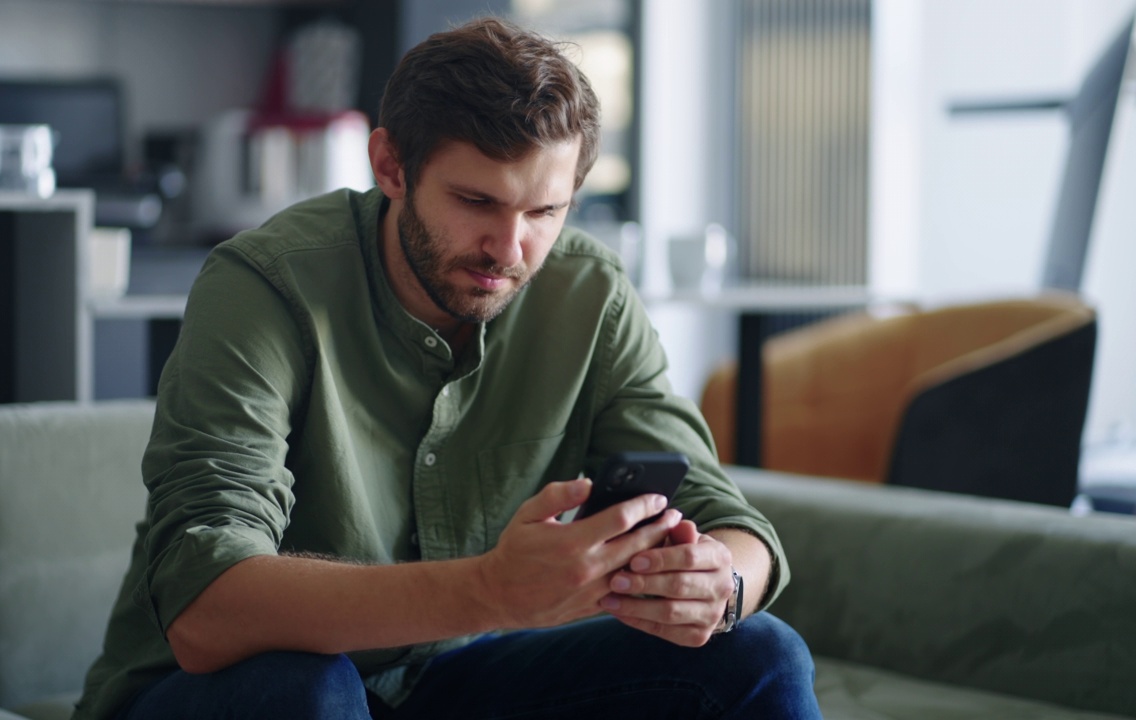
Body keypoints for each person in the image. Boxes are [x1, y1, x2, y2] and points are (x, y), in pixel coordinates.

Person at [72, 16, 820, 720]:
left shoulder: (588, 293)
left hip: (456, 679)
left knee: (761, 653)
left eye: (544, 213)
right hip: (230, 692)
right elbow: (206, 610)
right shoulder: (264, 287)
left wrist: (716, 587)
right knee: (312, 687)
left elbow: (732, 525)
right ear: (391, 166)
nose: (510, 248)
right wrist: (491, 591)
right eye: (475, 201)